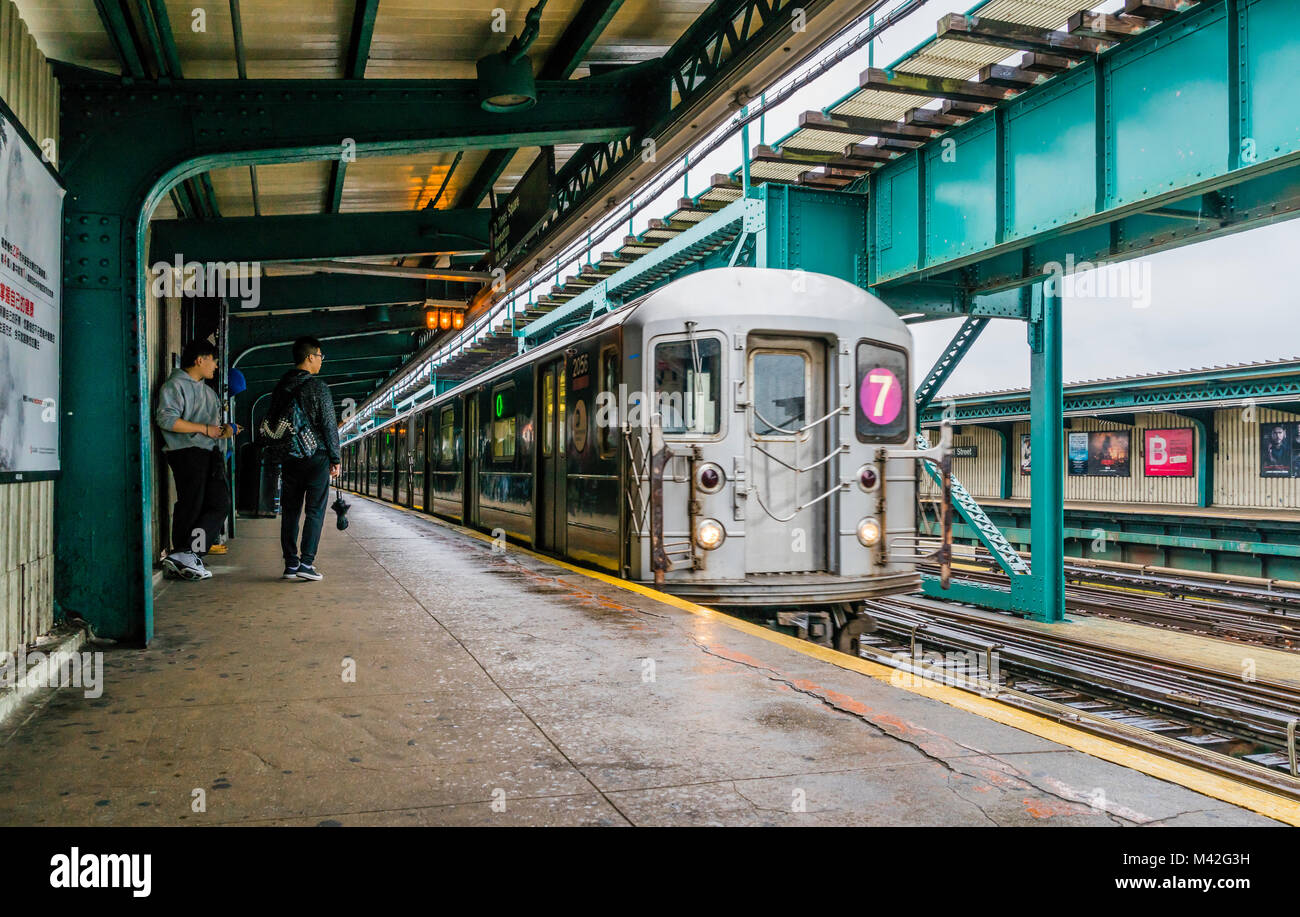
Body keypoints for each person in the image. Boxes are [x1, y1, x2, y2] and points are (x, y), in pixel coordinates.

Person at [155, 339, 236, 580]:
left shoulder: (208, 391)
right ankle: (184, 552)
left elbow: (212, 428)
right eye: (213, 360)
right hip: (186, 452)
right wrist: (204, 429)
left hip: (211, 454)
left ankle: (187, 552)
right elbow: (166, 419)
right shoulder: (174, 386)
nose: (216, 366)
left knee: (219, 503)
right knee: (192, 503)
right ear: (200, 360)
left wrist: (225, 431)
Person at [267, 336, 340, 581]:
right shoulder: (318, 387)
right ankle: (306, 564)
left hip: (289, 457)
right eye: (320, 356)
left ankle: (290, 564)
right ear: (310, 357)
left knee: (289, 511)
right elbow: (329, 425)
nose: (321, 361)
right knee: (315, 511)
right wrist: (335, 457)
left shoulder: (281, 386)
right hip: (315, 456)